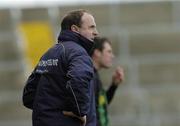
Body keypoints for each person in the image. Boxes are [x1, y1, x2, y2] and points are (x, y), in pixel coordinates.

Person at [23, 9, 98, 126]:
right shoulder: (78, 53)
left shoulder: (49, 53)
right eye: (91, 27)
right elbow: (78, 79)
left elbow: (29, 95)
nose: (96, 32)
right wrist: (79, 112)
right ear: (75, 29)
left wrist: (48, 110)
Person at [90, 37, 124, 126]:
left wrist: (114, 85)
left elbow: (101, 105)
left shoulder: (95, 75)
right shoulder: (90, 78)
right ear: (97, 53)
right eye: (109, 52)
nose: (112, 56)